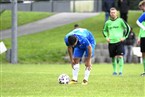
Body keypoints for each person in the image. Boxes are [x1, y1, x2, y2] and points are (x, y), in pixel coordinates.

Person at [102, 7, 130, 76]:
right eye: (111, 12)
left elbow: (128, 28)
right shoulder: (107, 22)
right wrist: (106, 37)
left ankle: (120, 72)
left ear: (117, 13)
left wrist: (124, 37)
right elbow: (104, 30)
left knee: (120, 56)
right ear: (110, 13)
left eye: (114, 12)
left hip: (119, 41)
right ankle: (114, 71)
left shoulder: (120, 20)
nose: (113, 14)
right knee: (113, 57)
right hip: (111, 42)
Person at [136, 0, 145, 76]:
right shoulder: (143, 15)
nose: (141, 8)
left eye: (142, 7)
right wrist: (139, 37)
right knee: (143, 54)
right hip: (143, 36)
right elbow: (141, 28)